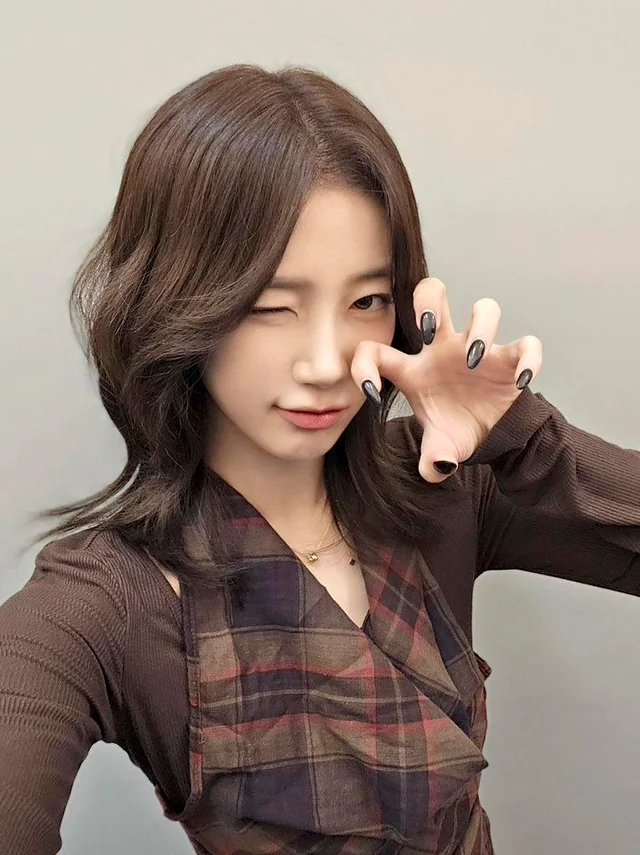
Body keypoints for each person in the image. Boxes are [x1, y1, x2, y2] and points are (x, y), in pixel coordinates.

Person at [1, 63, 638, 855]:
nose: (329, 360)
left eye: (367, 300)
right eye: (271, 306)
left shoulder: (440, 483)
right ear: (175, 301)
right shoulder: (111, 595)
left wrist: (524, 439)